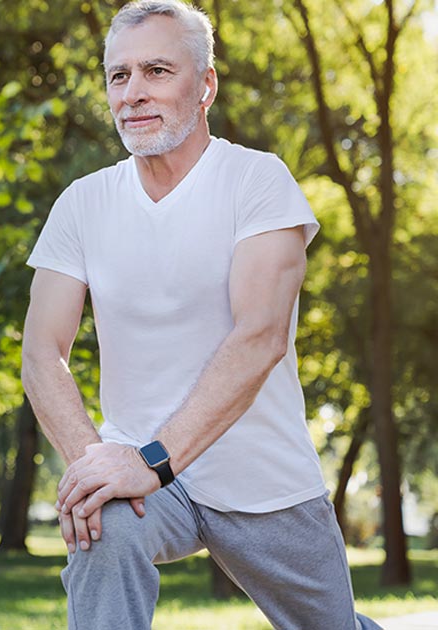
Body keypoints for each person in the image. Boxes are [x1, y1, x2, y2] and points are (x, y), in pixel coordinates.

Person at [20, 2, 380, 628]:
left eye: (157, 71)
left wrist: (153, 459)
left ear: (206, 85)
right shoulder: (83, 204)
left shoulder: (258, 183)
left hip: (261, 477)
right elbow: (41, 352)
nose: (133, 93)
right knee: (102, 530)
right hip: (141, 477)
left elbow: (261, 336)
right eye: (119, 75)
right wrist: (95, 464)